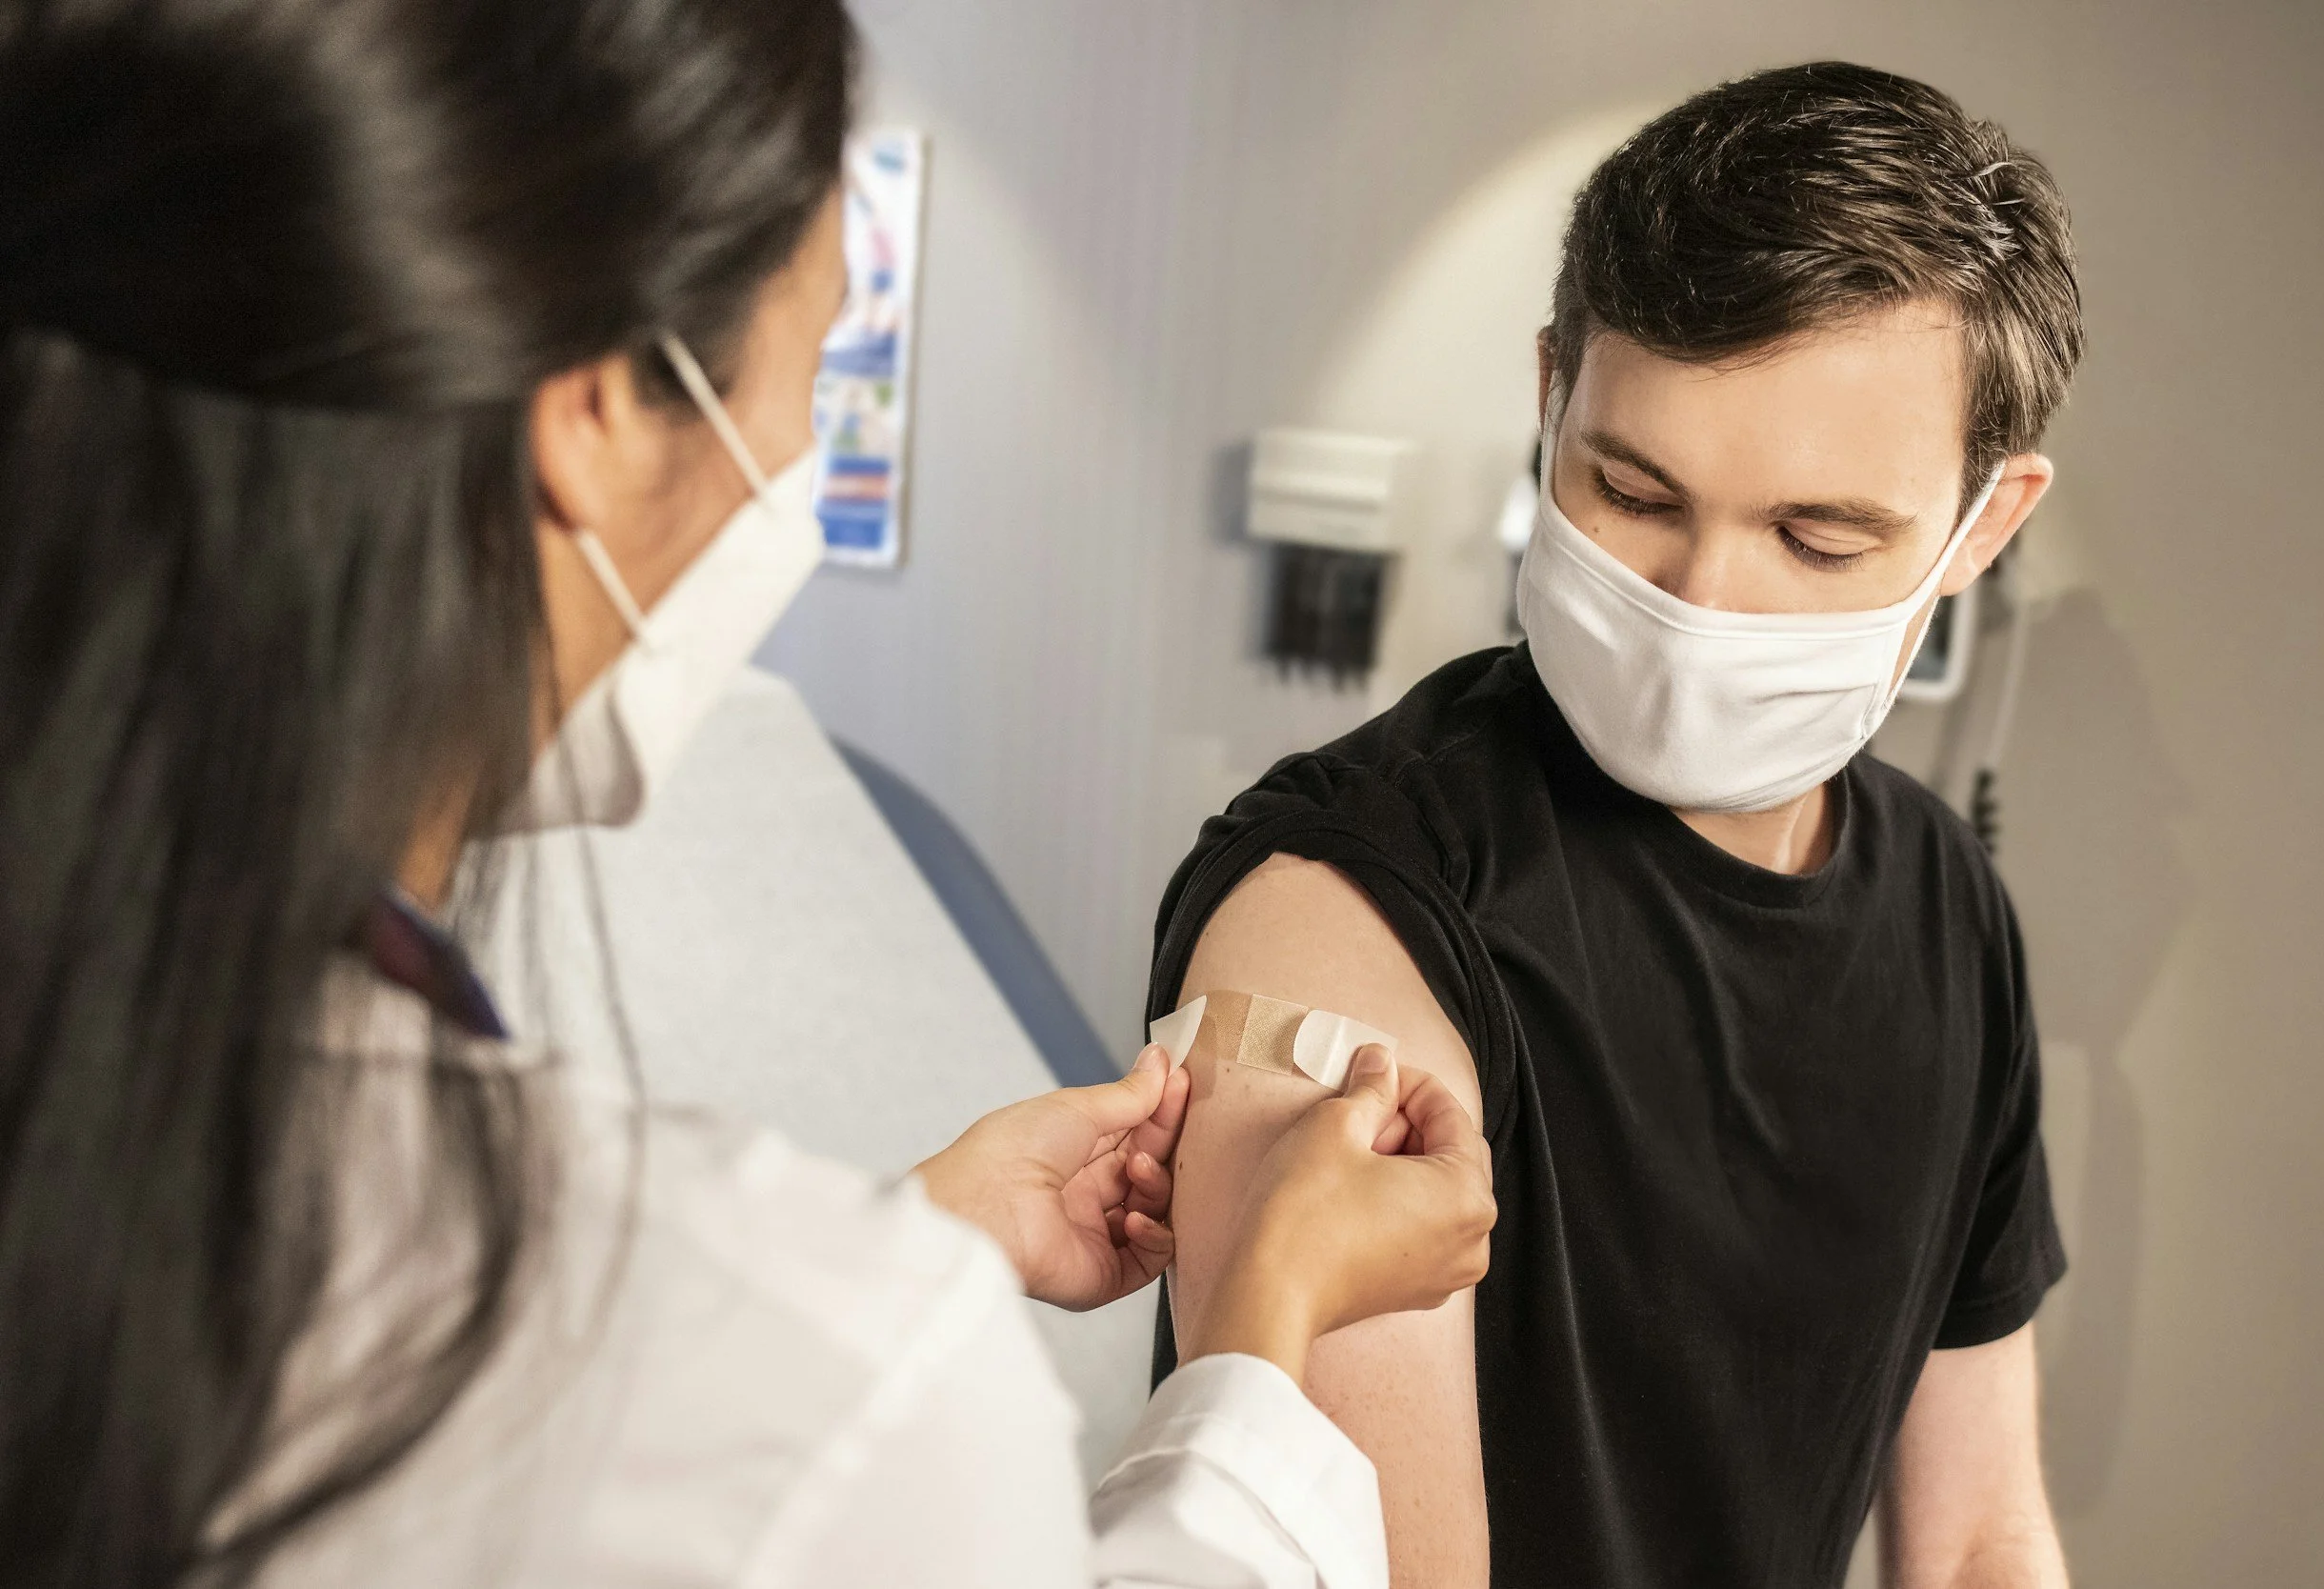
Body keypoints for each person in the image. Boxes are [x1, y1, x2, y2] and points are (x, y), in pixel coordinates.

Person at [0, 1, 1496, 1586]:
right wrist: (1257, 1336)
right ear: (590, 408)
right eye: (830, 353)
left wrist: (910, 1236)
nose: (800, 445)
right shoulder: (826, 1378)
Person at [1152, 62, 2082, 1588]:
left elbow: (1982, 1531)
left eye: (1816, 536)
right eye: (1630, 488)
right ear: (1550, 399)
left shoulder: (1948, 912)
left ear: (1984, 524)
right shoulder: (1345, 905)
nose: (1695, 602)